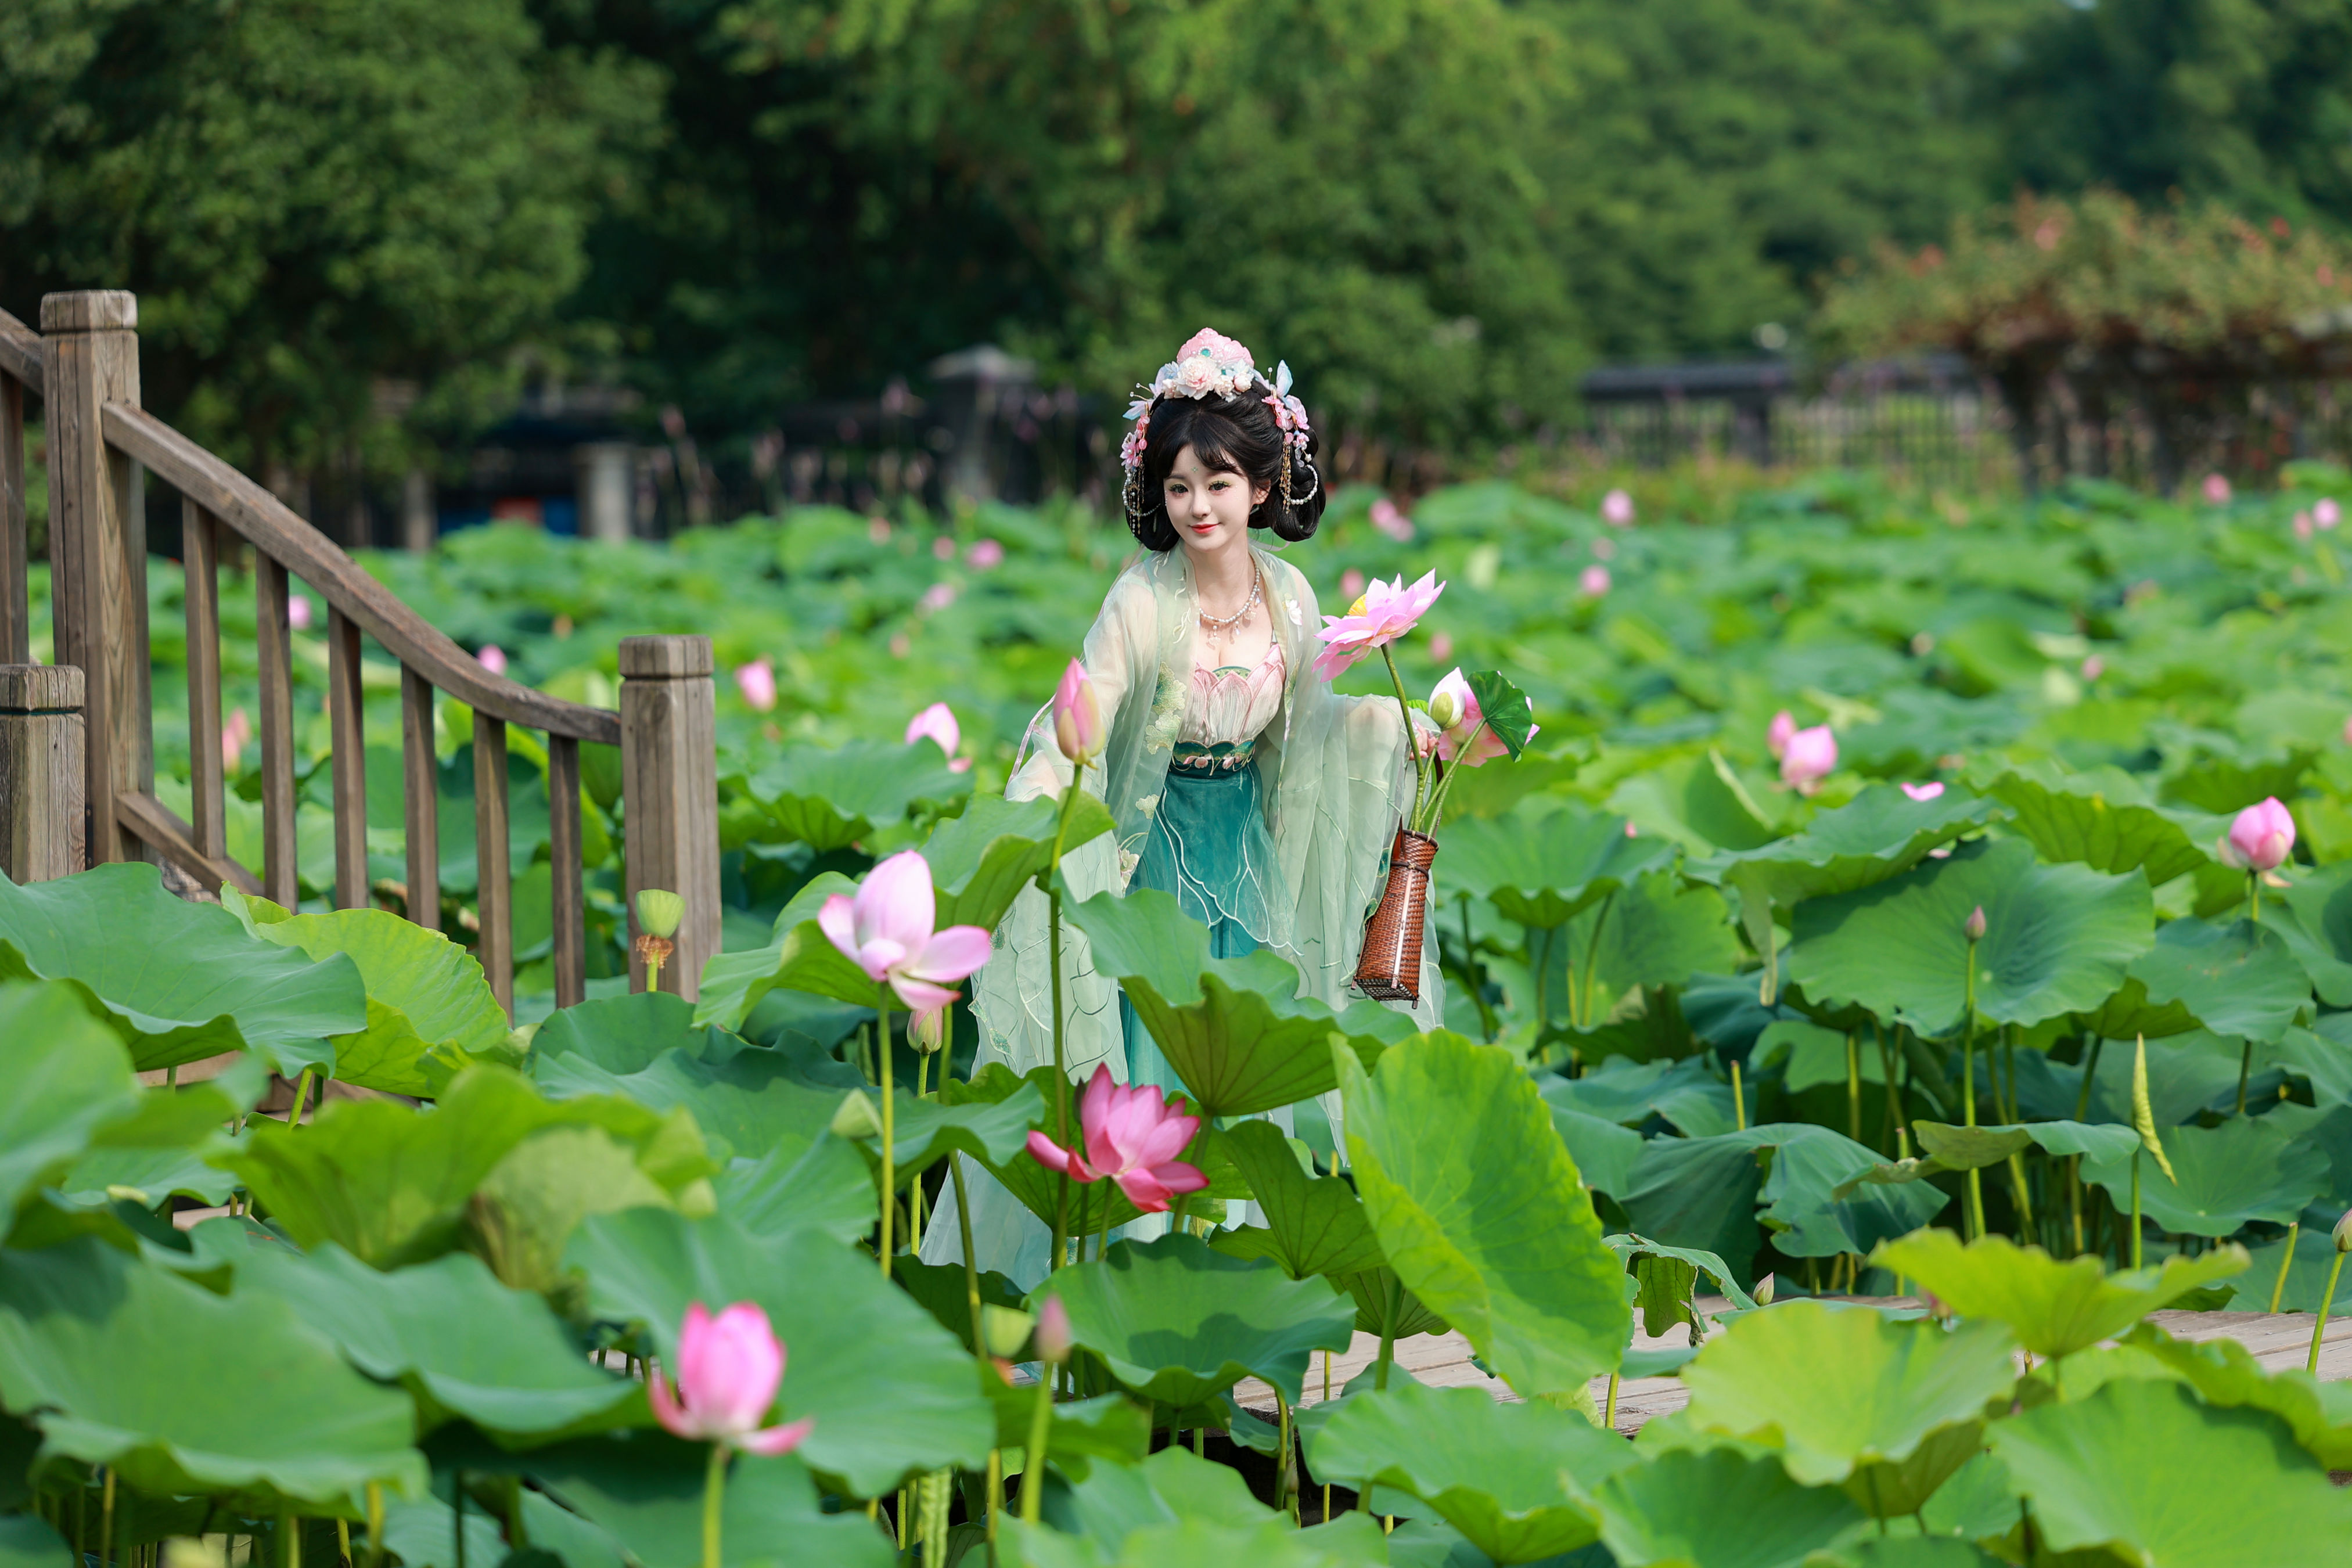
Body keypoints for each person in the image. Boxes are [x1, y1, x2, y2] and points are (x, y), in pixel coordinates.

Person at [921, 329, 1441, 1285]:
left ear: (1261, 485)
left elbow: (1310, 730)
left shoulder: (1288, 596)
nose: (1198, 506)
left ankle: (1228, 1301)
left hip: (1244, 848)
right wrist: (1023, 831)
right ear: (1154, 491)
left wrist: (1409, 731)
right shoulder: (1139, 602)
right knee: (1150, 1068)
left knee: (1238, 1074)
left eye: (1218, 482)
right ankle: (1138, 1291)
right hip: (1146, 857)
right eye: (1177, 486)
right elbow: (1075, 727)